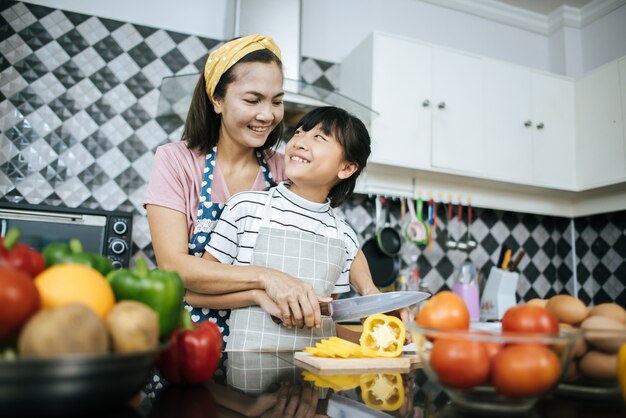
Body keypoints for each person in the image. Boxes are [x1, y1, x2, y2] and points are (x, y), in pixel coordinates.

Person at [144, 34, 380, 348]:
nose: (267, 115)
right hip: (189, 347)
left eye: (277, 101)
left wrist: (371, 292)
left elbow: (340, 239)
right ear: (217, 99)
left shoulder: (288, 168)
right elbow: (174, 267)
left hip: (271, 354)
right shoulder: (177, 161)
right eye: (253, 100)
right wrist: (265, 278)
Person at [193, 106, 370, 350]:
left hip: (313, 377)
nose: (300, 141)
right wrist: (259, 297)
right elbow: (194, 293)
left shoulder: (343, 237)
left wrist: (374, 340)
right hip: (245, 376)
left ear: (347, 168)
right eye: (298, 132)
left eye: (319, 137)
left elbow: (323, 323)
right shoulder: (245, 207)